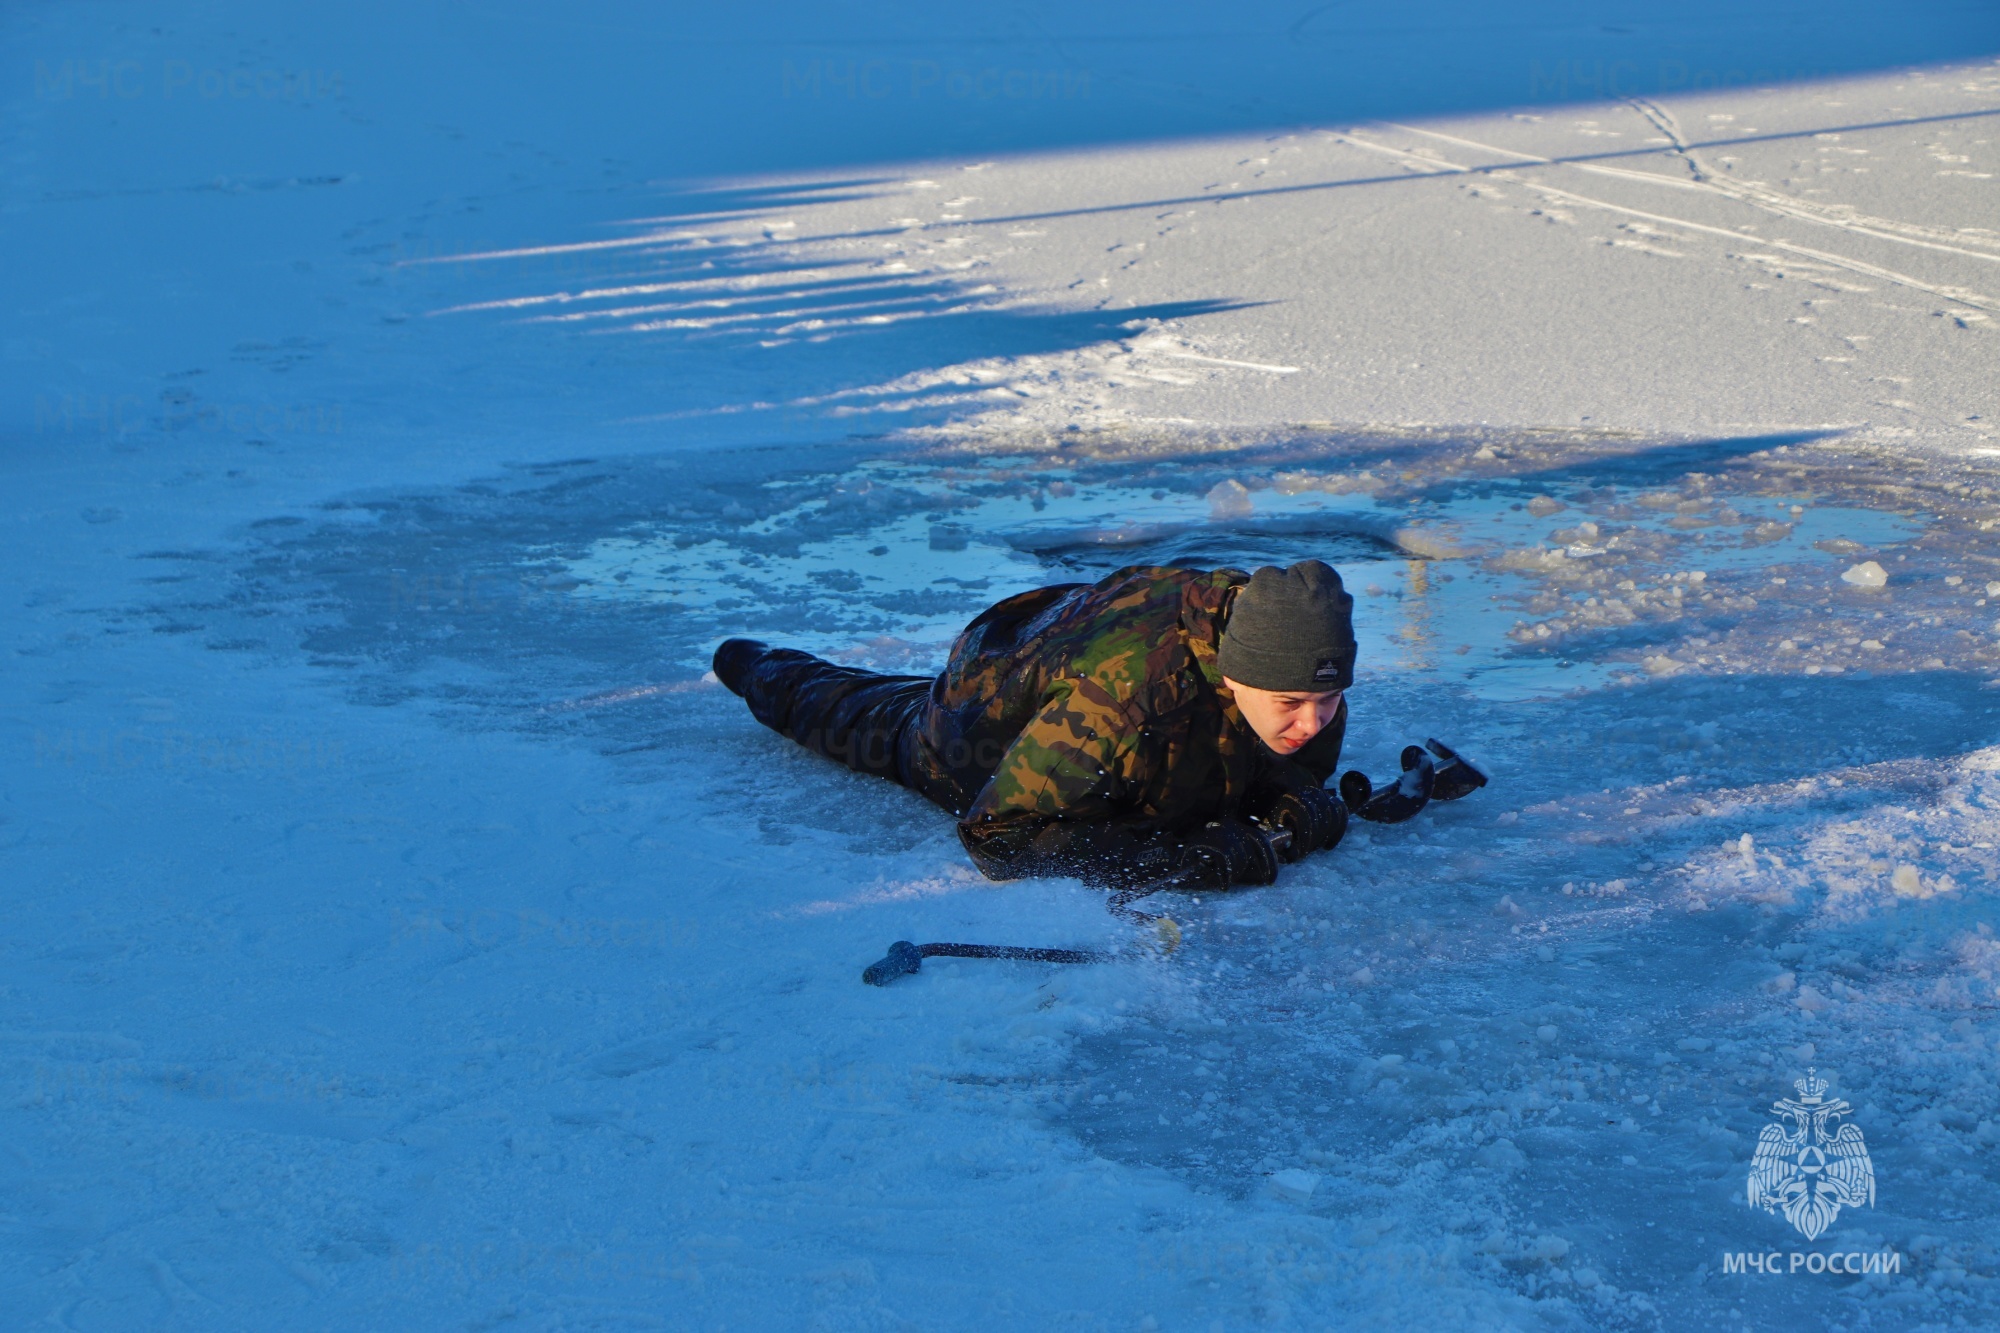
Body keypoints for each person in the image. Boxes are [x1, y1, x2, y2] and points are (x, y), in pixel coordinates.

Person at [712, 559, 1357, 891]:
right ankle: (756, 666)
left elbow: (1277, 760)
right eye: (1291, 704)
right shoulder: (1120, 707)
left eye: (1325, 702)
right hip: (977, 717)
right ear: (1238, 675)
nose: (1313, 722)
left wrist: (1289, 796)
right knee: (856, 716)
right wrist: (1173, 856)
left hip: (1066, 636)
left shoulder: (1294, 649)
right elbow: (999, 837)